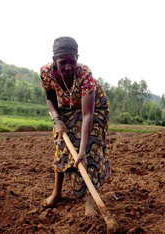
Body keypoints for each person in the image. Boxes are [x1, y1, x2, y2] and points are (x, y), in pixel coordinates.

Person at [40, 36, 111, 216]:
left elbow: (87, 115)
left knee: (90, 146)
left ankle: (90, 202)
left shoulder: (85, 75)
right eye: (63, 62)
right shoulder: (46, 73)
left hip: (95, 109)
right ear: (54, 60)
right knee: (61, 144)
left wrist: (81, 150)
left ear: (77, 58)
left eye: (72, 61)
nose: (68, 67)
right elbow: (50, 98)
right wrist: (57, 120)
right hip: (66, 107)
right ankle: (56, 193)